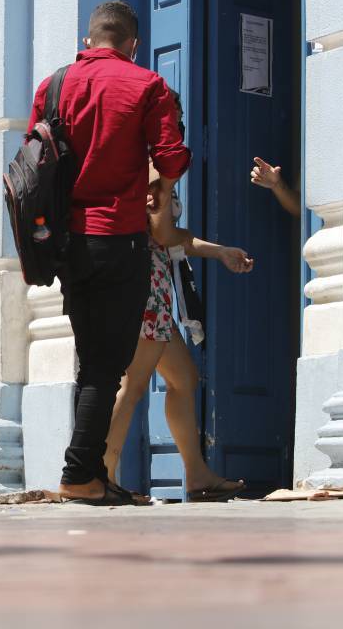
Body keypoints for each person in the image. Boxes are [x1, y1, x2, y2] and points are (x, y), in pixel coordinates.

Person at [28, 1, 190, 506]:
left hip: (67, 243)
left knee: (89, 361)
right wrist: (160, 179)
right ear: (133, 44)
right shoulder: (148, 86)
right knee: (105, 365)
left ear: (89, 37)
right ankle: (79, 474)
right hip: (120, 239)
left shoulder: (53, 86)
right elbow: (171, 158)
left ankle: (93, 472)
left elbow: (34, 158)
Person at [103, 159, 252, 502]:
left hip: (148, 292)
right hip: (145, 292)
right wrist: (219, 252)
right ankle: (103, 471)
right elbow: (165, 234)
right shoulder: (155, 171)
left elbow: (169, 240)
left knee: (183, 377)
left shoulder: (148, 166)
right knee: (135, 383)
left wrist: (219, 252)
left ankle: (196, 472)